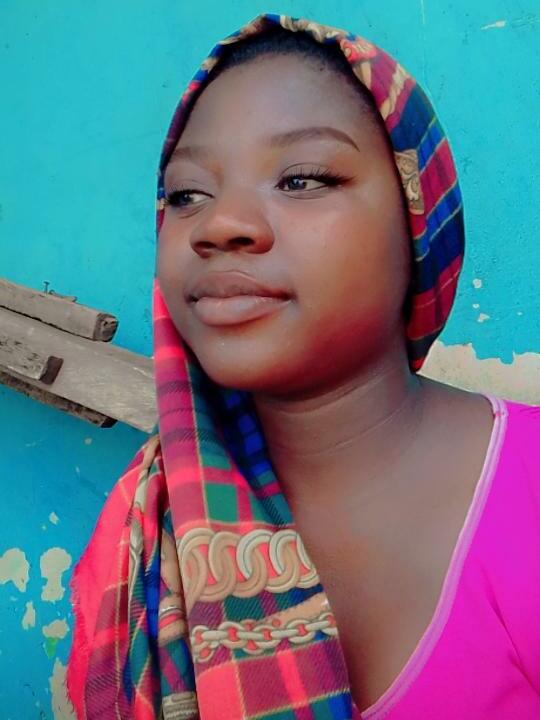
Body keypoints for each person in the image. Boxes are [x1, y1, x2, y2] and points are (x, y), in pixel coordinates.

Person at [66, 13, 540, 720]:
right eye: (186, 194)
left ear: (415, 223)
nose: (220, 224)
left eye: (303, 179)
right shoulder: (144, 533)